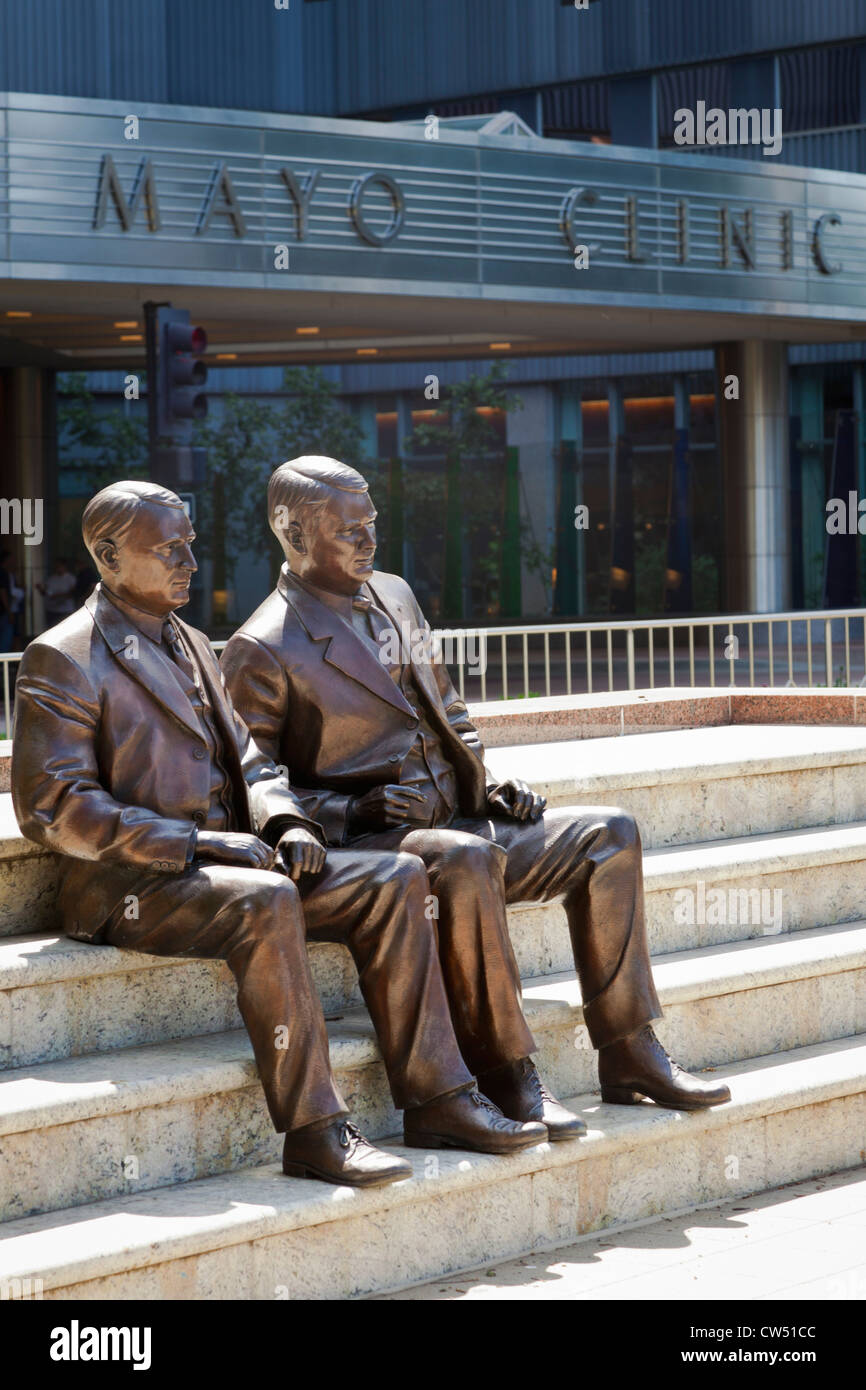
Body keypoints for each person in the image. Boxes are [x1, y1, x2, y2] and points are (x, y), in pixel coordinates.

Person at [11, 480, 550, 1191]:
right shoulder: (64, 656)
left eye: (190, 545)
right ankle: (315, 1132)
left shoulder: (194, 643)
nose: (190, 564)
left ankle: (441, 1099)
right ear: (109, 557)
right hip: (133, 882)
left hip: (234, 861)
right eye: (168, 549)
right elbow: (53, 807)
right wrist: (197, 842)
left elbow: (254, 760)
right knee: (265, 901)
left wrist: (288, 818)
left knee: (396, 879)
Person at [222, 457, 732, 1121]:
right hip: (386, 846)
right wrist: (353, 808)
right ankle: (507, 1073)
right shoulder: (262, 646)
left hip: (463, 819)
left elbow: (450, 711)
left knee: (611, 834)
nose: (370, 542)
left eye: (372, 525)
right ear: (295, 535)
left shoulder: (395, 595)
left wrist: (489, 784)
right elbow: (251, 791)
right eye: (351, 532)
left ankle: (629, 1048)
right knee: (465, 860)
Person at [37, 557, 76, 629]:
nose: (57, 568)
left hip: (65, 610)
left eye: (59, 566)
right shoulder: (51, 579)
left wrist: (57, 595)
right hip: (52, 611)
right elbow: (45, 593)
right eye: (56, 566)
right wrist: (40, 589)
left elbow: (72, 593)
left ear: (64, 566)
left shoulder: (71, 579)